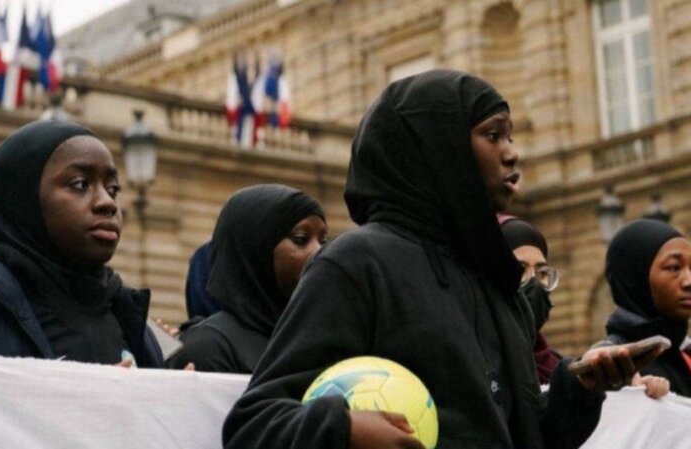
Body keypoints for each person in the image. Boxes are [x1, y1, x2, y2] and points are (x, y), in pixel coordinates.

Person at [222, 70, 664, 449]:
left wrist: (579, 390)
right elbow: (253, 424)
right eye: (492, 135)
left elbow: (519, 437)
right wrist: (343, 428)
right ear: (438, 147)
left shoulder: (498, 281)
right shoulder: (357, 262)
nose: (512, 152)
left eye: (510, 136)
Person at [0, 120, 162, 367]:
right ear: (23, 203)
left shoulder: (136, 328)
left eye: (113, 188)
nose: (108, 203)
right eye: (80, 184)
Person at [166, 184, 327, 373]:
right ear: (258, 251)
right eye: (301, 238)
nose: (320, 252)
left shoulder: (319, 342)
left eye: (323, 241)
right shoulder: (208, 348)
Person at [599, 219, 691, 396]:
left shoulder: (684, 352)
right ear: (635, 278)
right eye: (674, 268)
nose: (689, 281)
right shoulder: (611, 364)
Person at [498, 215, 561, 383]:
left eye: (542, 272)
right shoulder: (477, 365)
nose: (534, 282)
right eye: (520, 269)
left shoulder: (559, 370)